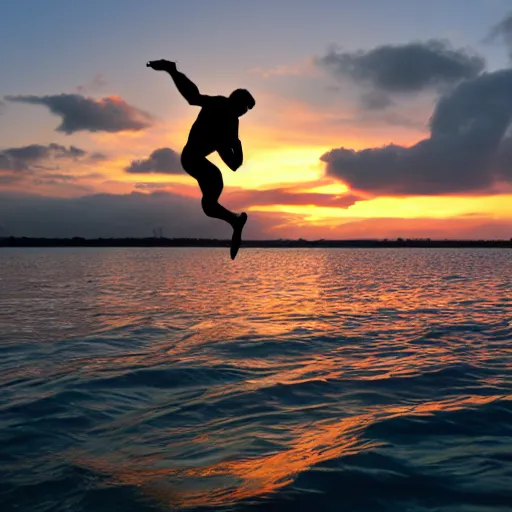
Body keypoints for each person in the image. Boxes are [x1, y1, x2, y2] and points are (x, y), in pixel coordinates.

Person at [147, 59, 255, 260]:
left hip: (200, 163)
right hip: (191, 158)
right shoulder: (218, 103)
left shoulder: (232, 124)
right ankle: (234, 221)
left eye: (244, 113)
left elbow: (233, 164)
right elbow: (192, 97)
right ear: (235, 101)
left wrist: (237, 144)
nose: (241, 114)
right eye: (242, 109)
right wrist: (173, 71)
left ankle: (235, 221)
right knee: (209, 203)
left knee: (209, 206)